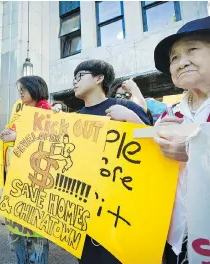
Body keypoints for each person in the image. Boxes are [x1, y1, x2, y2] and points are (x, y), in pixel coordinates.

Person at [72, 59, 151, 264]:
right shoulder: (75, 118)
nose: (74, 81)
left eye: (80, 76)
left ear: (99, 78)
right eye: (74, 78)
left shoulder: (125, 107)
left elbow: (153, 147)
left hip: (120, 209)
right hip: (85, 208)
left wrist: (131, 119)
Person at [153, 16, 210, 264]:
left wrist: (194, 152)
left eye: (193, 49)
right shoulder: (171, 114)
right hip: (175, 239)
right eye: (174, 57)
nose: (181, 62)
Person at [0, 75, 52, 264]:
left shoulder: (46, 110)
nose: (20, 92)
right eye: (19, 89)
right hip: (18, 177)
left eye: (24, 88)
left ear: (36, 88)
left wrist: (16, 136)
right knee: (17, 231)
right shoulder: (23, 113)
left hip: (35, 181)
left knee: (36, 234)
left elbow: (47, 140)